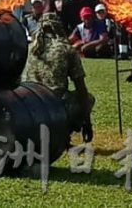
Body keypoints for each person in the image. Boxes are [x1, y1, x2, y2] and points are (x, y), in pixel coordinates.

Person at [22, 13, 94, 143]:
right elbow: (81, 88)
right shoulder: (66, 50)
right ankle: (63, 134)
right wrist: (86, 122)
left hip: (30, 105)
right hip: (54, 105)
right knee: (88, 98)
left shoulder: (29, 48)